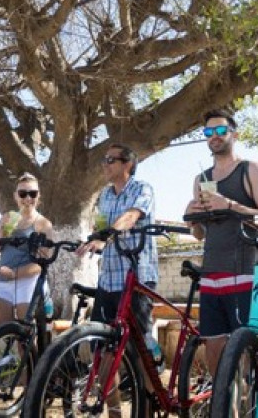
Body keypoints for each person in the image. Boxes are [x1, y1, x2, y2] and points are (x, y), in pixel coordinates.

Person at [183, 109, 258, 375]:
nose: (214, 136)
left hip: (246, 272)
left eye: (221, 130)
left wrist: (231, 205)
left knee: (244, 353)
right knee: (214, 352)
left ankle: (249, 405)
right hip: (211, 274)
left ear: (234, 134)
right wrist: (194, 219)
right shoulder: (201, 180)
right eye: (208, 132)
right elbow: (200, 235)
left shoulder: (251, 170)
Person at [0, 173, 56, 414]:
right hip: (5, 283)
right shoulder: (7, 218)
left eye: (32, 194)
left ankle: (31, 396)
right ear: (16, 197)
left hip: (29, 282)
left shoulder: (43, 224)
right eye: (23, 193)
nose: (28, 198)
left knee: (24, 342)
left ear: (39, 197)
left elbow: (45, 262)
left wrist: (16, 273)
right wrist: (3, 233)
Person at [76, 143, 156, 413]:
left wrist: (108, 232)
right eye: (104, 159)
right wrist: (92, 243)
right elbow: (101, 232)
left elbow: (131, 216)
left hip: (136, 279)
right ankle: (114, 412)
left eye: (111, 160)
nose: (105, 164)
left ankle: (146, 408)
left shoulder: (142, 189)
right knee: (104, 352)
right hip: (108, 281)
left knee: (139, 351)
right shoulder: (104, 196)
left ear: (127, 165)